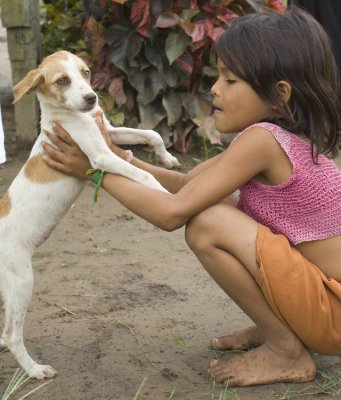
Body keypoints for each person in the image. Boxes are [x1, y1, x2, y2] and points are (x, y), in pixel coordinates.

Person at [42, 7, 341, 387]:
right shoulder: (279, 138)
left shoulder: (264, 141)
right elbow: (186, 187)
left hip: (332, 313)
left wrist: (95, 169)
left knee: (207, 223)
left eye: (231, 80)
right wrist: (118, 158)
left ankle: (287, 349)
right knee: (215, 206)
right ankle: (280, 328)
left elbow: (173, 213)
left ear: (279, 94)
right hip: (327, 304)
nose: (215, 88)